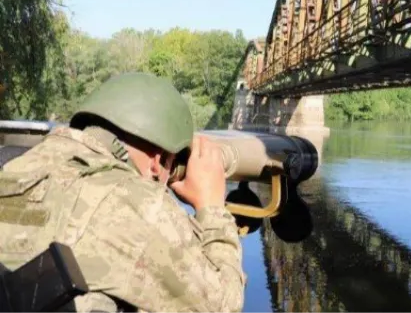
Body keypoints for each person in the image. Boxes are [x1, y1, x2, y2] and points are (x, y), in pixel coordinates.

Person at [0, 73, 246, 312]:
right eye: (172, 164)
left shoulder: (17, 165)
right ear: (157, 161)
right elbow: (223, 304)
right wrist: (212, 206)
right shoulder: (140, 204)